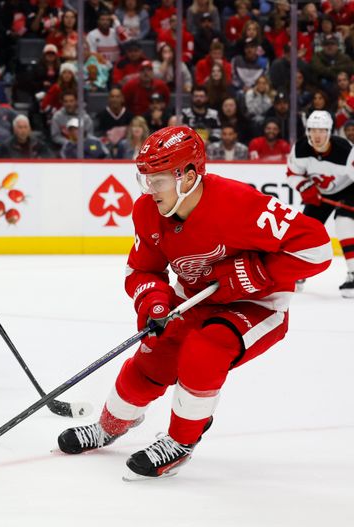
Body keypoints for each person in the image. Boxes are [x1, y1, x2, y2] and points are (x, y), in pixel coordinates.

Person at [57, 125, 332, 479]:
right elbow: (140, 270)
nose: (149, 190)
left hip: (257, 305)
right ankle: (109, 426)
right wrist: (155, 303)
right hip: (193, 301)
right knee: (151, 360)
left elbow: (317, 247)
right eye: (146, 179)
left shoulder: (239, 204)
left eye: (157, 180)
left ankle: (180, 442)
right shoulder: (147, 212)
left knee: (205, 350)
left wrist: (253, 273)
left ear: (188, 176)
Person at [287, 110, 354, 296]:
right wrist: (305, 187)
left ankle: (353, 274)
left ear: (329, 131)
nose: (317, 135)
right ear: (307, 131)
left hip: (348, 189)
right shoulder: (300, 149)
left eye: (322, 130)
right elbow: (292, 174)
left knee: (344, 223)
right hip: (320, 193)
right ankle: (298, 273)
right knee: (304, 230)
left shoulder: (345, 150)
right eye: (313, 130)